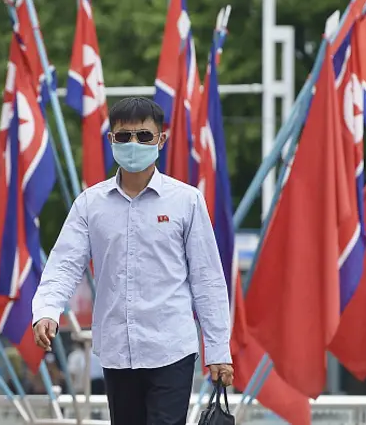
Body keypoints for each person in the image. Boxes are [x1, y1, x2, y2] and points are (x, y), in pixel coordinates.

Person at [32, 97, 233, 425]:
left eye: (144, 136)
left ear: (161, 140)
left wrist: (219, 350)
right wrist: (46, 311)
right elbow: (64, 263)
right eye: (124, 136)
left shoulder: (187, 201)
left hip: (172, 349)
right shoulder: (90, 204)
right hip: (116, 353)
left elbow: (207, 279)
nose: (134, 144)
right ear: (111, 140)